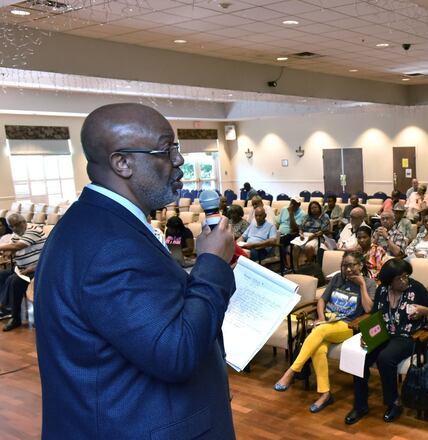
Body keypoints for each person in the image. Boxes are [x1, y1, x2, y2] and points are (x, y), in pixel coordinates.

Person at [34, 103, 237, 438]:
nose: (179, 160)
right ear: (122, 163)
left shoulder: (96, 222)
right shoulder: (110, 244)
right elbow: (175, 352)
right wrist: (213, 264)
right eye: (165, 150)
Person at [346, 258, 428, 425]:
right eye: (400, 278)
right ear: (389, 281)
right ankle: (360, 405)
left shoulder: (416, 289)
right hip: (384, 334)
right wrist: (367, 336)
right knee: (360, 356)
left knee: (385, 358)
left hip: (409, 336)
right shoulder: (382, 290)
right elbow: (375, 315)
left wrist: (426, 311)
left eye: (406, 276)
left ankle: (394, 403)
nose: (405, 280)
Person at [274, 251, 375, 412]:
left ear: (360, 265)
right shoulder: (337, 278)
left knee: (319, 332)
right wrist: (321, 317)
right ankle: (325, 394)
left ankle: (291, 371)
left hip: (347, 325)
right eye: (345, 266)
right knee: (318, 350)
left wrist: (362, 285)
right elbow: (322, 300)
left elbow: (369, 309)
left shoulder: (369, 283)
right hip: (327, 322)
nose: (348, 269)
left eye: (352, 265)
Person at [0, 213, 45, 331]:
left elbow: (17, 246)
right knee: (2, 275)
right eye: (11, 226)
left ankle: (15, 317)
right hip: (22, 269)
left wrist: (8, 248)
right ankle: (5, 308)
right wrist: (8, 252)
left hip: (38, 268)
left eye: (17, 225)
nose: (14, 228)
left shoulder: (33, 230)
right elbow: (12, 248)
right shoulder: (17, 233)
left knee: (15, 281)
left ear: (24, 222)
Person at [295, 201, 330, 265]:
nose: (314, 209)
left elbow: (323, 231)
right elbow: (301, 228)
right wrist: (301, 234)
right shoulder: (307, 216)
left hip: (317, 237)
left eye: (315, 207)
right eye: (312, 208)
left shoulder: (324, 216)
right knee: (296, 246)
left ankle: (309, 264)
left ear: (319, 207)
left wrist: (312, 236)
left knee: (308, 247)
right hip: (304, 236)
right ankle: (295, 267)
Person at [277, 198, 306, 267]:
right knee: (274, 238)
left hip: (293, 234)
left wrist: (291, 213)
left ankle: (284, 265)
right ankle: (281, 264)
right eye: (291, 203)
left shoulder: (302, 213)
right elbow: (278, 223)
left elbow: (295, 228)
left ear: (299, 205)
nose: (292, 205)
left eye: (294, 204)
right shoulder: (284, 209)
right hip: (280, 233)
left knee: (280, 241)